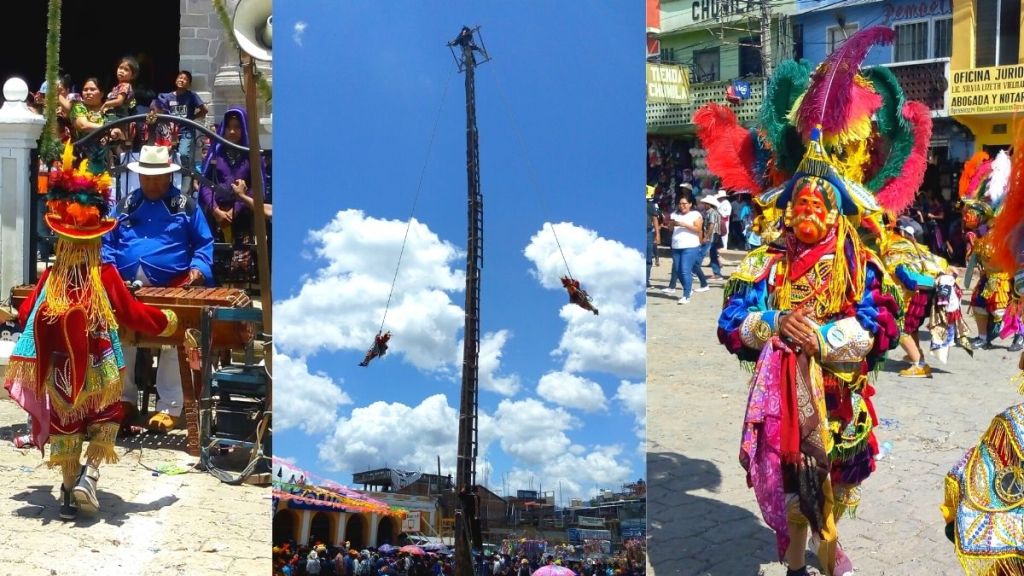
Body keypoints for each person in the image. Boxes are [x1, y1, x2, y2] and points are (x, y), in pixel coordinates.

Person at [695, 25, 933, 576]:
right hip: (780, 394)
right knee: (794, 490)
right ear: (786, 208)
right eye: (800, 203)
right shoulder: (766, 261)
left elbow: (884, 323)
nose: (809, 212)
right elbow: (731, 322)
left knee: (833, 489)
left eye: (820, 203)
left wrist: (826, 337)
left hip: (838, 394)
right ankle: (799, 562)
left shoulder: (859, 259)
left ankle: (822, 553)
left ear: (836, 207)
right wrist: (775, 322)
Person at [4, 143, 178, 520]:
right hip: (100, 368)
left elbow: (25, 312)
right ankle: (91, 475)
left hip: (62, 372)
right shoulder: (106, 275)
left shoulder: (51, 277)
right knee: (106, 417)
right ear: (97, 239)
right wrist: (168, 321)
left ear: (61, 239)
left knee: (66, 425)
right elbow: (134, 315)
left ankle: (67, 494)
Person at [102, 145, 214, 432]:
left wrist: (198, 269)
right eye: (146, 178)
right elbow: (108, 242)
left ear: (168, 177)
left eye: (157, 178)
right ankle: (123, 401)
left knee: (172, 340)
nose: (151, 183)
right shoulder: (126, 204)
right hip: (125, 287)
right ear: (139, 177)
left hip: (172, 286)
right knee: (120, 336)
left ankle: (169, 407)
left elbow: (204, 243)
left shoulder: (185, 205)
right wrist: (110, 271)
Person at [960, 150, 1016, 349]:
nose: (971, 218)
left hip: (1004, 278)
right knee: (978, 308)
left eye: (976, 214)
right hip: (987, 278)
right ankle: (983, 338)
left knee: (1002, 311)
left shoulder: (1003, 233)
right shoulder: (982, 234)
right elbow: (975, 257)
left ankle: (1019, 334)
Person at [152, 70, 208, 194]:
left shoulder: (191, 96)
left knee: (183, 155)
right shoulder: (166, 96)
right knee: (164, 158)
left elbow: (204, 110)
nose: (182, 80)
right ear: (175, 80)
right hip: (168, 133)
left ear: (189, 84)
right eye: (180, 77)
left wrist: (191, 119)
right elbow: (157, 108)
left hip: (186, 131)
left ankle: (185, 189)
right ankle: (166, 188)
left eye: (185, 79)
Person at [661, 193, 708, 305]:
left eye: (684, 204)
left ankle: (686, 296)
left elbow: (698, 229)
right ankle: (688, 288)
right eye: (680, 204)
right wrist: (671, 225)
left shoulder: (696, 214)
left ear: (690, 204)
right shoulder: (675, 214)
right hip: (676, 246)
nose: (682, 206)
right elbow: (670, 228)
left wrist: (683, 224)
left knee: (685, 270)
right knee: (678, 270)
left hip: (690, 246)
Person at [699, 194, 723, 279]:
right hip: (715, 236)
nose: (704, 205)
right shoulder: (715, 212)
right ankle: (717, 273)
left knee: (701, 253)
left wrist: (706, 236)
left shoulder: (711, 213)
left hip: (711, 236)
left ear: (709, 204)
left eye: (705, 203)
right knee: (713, 255)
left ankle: (695, 271)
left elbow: (711, 225)